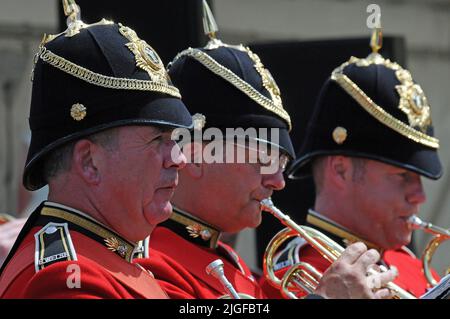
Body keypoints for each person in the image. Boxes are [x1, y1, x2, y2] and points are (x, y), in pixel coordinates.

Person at [136, 2, 398, 299]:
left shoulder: (232, 265)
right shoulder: (152, 266)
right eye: (262, 159)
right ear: (195, 154)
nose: (278, 181)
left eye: (281, 162)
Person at [0, 1, 192, 298]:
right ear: (89, 161)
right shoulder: (65, 279)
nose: (179, 159)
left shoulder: (107, 256)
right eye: (157, 139)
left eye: (175, 140)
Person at [273, 27, 442, 298]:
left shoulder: (408, 263)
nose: (419, 195)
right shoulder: (299, 275)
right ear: (340, 170)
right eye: (403, 176)